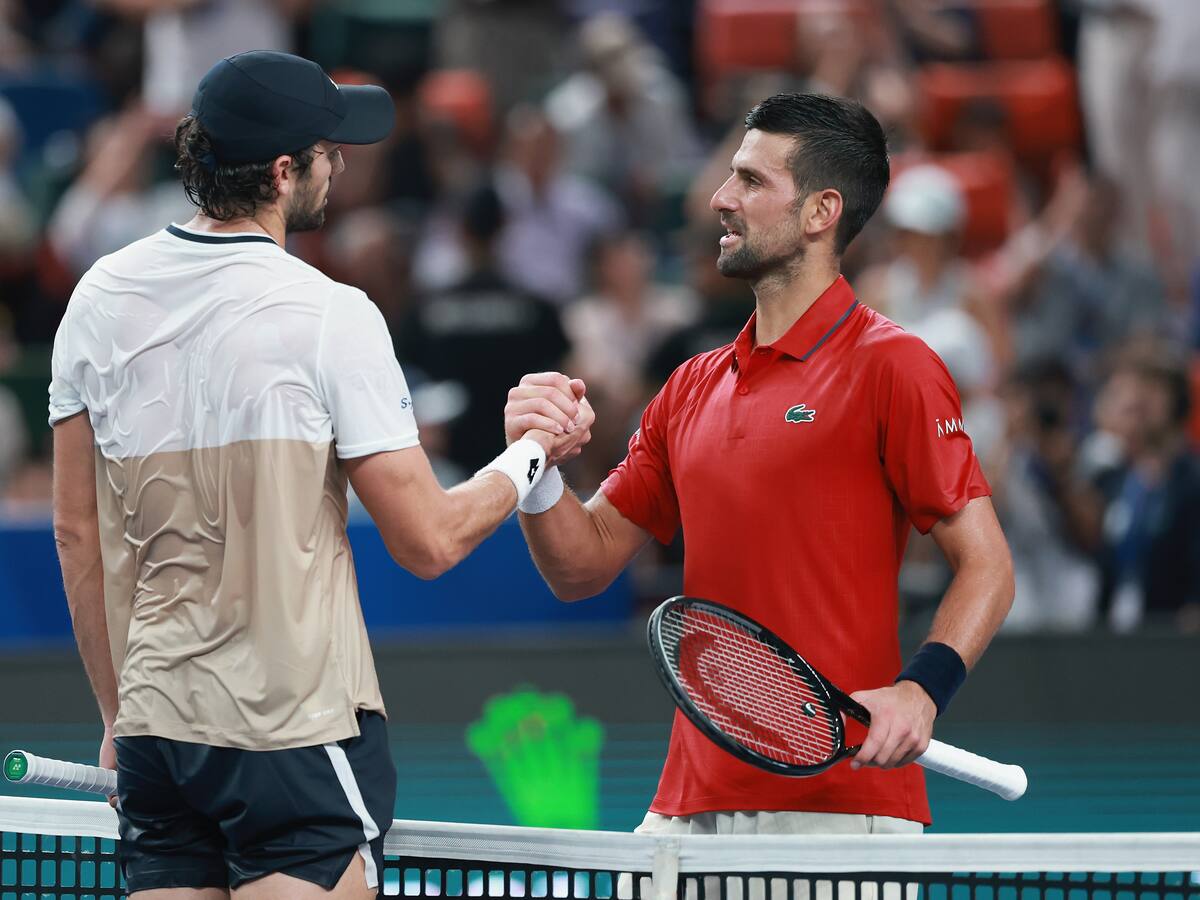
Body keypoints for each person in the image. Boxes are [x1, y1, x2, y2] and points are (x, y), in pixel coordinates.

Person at [48, 50, 589, 899]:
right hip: (291, 734)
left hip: (157, 733)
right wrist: (533, 455)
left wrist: (120, 716)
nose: (342, 164)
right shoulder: (332, 313)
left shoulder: (98, 296)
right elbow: (430, 542)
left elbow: (78, 532)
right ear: (281, 172)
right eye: (328, 150)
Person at [504, 93, 1014, 836]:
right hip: (687, 809)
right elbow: (580, 566)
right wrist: (536, 467)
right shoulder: (688, 385)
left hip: (844, 819)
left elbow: (988, 565)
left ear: (820, 212)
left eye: (750, 181)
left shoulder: (894, 366)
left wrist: (921, 691)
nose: (720, 197)